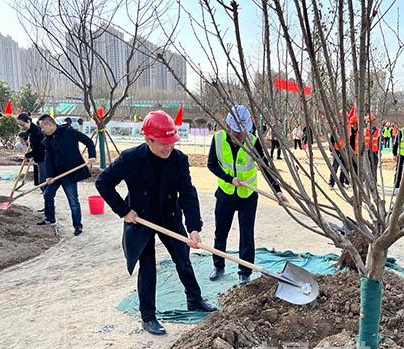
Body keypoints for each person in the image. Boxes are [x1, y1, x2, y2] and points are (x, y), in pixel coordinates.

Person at [96, 110, 216, 336]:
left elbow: (188, 193)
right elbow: (103, 182)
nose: (168, 148)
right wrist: (124, 211)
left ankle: (195, 299)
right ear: (148, 139)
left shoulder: (179, 160)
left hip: (169, 216)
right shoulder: (130, 159)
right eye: (163, 143)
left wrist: (193, 227)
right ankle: (148, 316)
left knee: (183, 259)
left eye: (171, 142)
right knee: (148, 266)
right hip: (140, 219)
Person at [207, 105, 287, 285]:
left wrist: (278, 191)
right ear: (228, 127)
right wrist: (229, 179)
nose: (240, 136)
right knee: (220, 232)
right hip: (225, 194)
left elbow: (265, 167)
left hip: (248, 197)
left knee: (246, 234)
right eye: (237, 133)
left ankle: (245, 271)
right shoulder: (218, 139)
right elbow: (211, 164)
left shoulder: (253, 141)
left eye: (243, 132)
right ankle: (218, 265)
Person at [37, 114, 96, 235]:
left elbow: (88, 141)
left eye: (43, 127)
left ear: (49, 124)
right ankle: (50, 218)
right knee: (47, 194)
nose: (42, 130)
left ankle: (77, 226)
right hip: (56, 174)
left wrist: (92, 156)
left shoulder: (68, 132)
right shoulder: (48, 139)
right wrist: (49, 175)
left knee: (73, 200)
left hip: (70, 173)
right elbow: (48, 158)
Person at [17, 113, 46, 191]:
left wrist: (28, 155)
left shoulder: (36, 132)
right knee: (41, 180)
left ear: (28, 121)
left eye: (22, 125)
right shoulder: (30, 130)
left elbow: (38, 149)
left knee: (43, 182)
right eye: (20, 125)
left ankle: (48, 198)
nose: (22, 127)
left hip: (43, 157)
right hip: (39, 156)